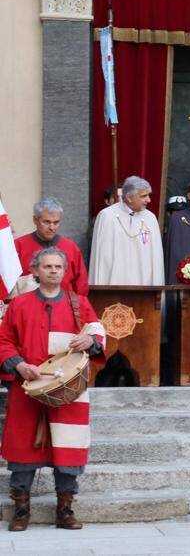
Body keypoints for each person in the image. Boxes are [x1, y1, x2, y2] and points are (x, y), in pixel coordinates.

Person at [0, 248, 106, 531]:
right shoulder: (19, 305)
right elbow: (4, 341)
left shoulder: (78, 303)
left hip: (68, 388)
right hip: (27, 385)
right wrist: (18, 364)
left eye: (58, 266)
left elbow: (98, 333)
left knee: (68, 446)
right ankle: (21, 511)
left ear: (65, 270)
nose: (53, 271)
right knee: (22, 447)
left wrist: (91, 342)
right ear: (35, 270)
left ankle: (65, 509)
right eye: (47, 266)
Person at [89, 176, 165, 285]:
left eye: (148, 195)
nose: (149, 200)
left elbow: (156, 257)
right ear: (129, 197)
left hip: (143, 284)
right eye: (144, 196)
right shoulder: (107, 216)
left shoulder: (150, 218)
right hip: (114, 282)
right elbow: (102, 258)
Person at [13, 198, 88, 297]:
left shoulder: (71, 248)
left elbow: (81, 285)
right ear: (35, 220)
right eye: (46, 222)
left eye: (56, 222)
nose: (52, 227)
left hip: (65, 307)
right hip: (29, 308)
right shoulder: (18, 246)